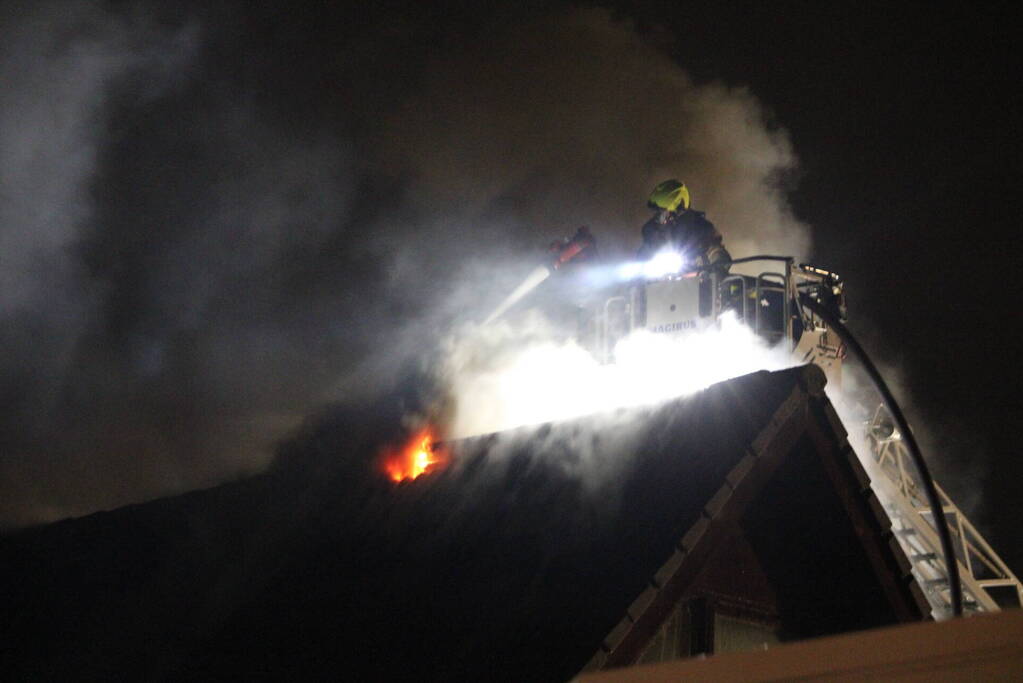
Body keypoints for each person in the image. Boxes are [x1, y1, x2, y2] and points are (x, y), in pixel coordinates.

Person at [638, 179, 730, 271]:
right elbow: (644, 255)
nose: (659, 218)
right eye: (657, 213)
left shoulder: (701, 228)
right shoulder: (652, 231)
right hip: (661, 278)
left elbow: (716, 251)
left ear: (678, 208)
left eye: (663, 213)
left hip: (697, 277)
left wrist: (716, 268)